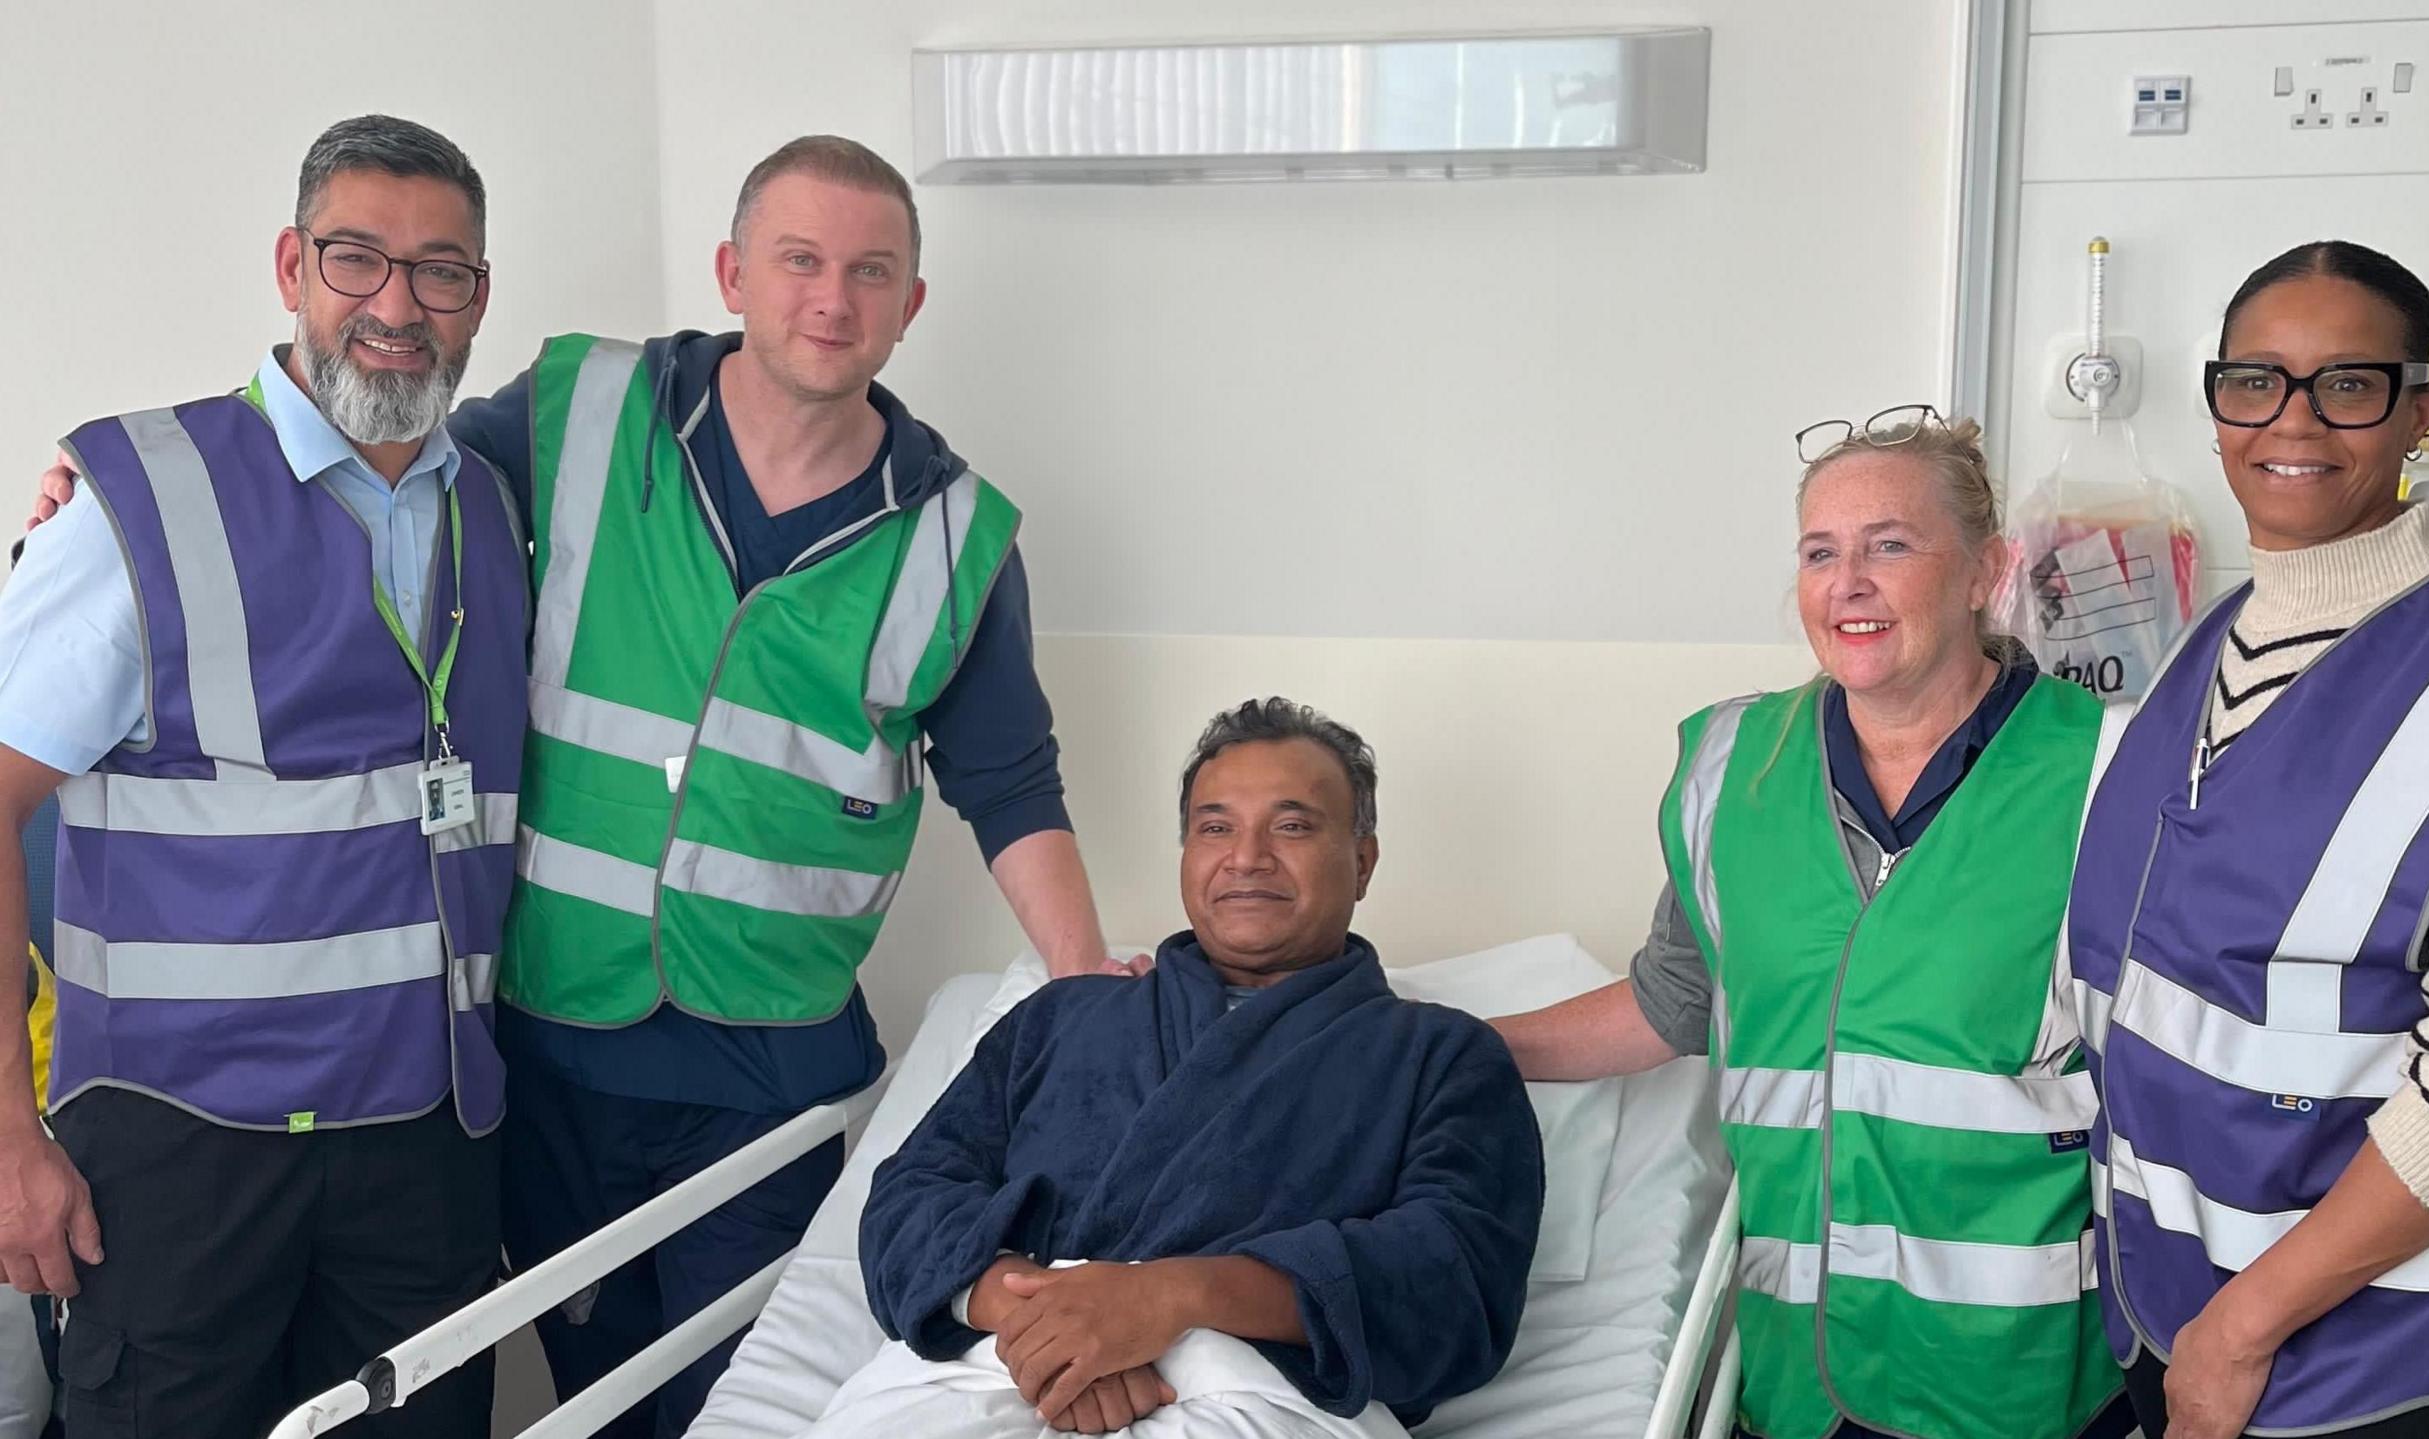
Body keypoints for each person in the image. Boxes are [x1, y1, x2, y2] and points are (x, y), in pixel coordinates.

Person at [27, 133, 1125, 1437]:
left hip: (722, 1073)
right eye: (798, 260)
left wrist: (1088, 990)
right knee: (576, 1395)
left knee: (716, 1405)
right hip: (513, 1058)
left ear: (909, 304)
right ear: (731, 271)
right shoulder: (571, 420)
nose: (831, 297)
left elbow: (1012, 778)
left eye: (869, 270)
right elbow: (347, 450)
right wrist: (95, 509)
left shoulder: (953, 537)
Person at [0, 115, 526, 1437]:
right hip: (181, 1155)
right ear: (292, 266)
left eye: (441, 270)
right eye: (358, 258)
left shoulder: (497, 510)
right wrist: (7, 1138)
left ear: (477, 298)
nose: (398, 304)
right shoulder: (133, 498)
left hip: (426, 1137)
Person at [1492, 410, 2132, 1439]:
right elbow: (1675, 998)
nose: (1849, 583)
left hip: (2013, 1377)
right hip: (1798, 1373)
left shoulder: (2103, 771)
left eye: (1890, 545)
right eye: (1819, 552)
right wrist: (1461, 1046)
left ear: (1985, 571)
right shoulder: (1729, 769)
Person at [2069, 240, 2429, 1439]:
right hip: (2179, 1308)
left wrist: (2239, 1335)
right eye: (2255, 381)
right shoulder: (2208, 645)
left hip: (2384, 1359)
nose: (2291, 420)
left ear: (2419, 410)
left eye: (2347, 383)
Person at [838, 698, 1543, 1438]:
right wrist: (1043, 1316)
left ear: (1362, 861)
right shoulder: (1059, 1017)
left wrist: (1171, 1297)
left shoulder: (1442, 1056)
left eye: (1293, 824)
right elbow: (907, 1197)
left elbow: (1454, 1283)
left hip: (1254, 1392)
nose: (1247, 857)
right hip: (991, 1364)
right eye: (1215, 827)